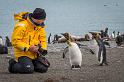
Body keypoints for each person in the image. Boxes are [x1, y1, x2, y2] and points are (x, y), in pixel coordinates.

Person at [8, 8, 50, 74]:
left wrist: (42, 49)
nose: (44, 20)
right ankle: (13, 64)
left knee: (43, 68)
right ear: (37, 18)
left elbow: (43, 39)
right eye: (43, 19)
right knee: (28, 69)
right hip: (23, 54)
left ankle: (30, 64)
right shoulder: (22, 25)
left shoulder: (40, 26)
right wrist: (29, 48)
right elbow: (15, 41)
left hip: (35, 54)